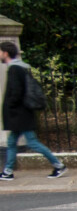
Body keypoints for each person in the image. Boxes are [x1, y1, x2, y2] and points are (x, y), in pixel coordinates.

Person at [1, 42, 65, 180]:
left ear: (5, 53)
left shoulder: (15, 69)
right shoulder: (20, 68)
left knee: (32, 142)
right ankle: (8, 171)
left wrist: (10, 105)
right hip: (20, 114)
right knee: (12, 142)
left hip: (20, 114)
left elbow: (16, 92)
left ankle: (59, 165)